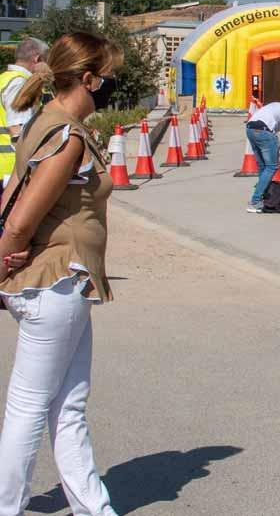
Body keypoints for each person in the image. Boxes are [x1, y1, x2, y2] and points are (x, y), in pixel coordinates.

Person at [0, 32, 121, 516]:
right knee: (30, 409)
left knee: (67, 406)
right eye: (108, 77)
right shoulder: (66, 135)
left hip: (62, 283)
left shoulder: (46, 123)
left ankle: (94, 507)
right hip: (55, 282)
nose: (113, 85)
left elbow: (8, 193)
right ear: (87, 79)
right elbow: (21, 217)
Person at [0, 38, 49, 183]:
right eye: (46, 61)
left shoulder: (4, 79)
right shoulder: (20, 84)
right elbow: (18, 129)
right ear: (37, 59)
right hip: (11, 170)